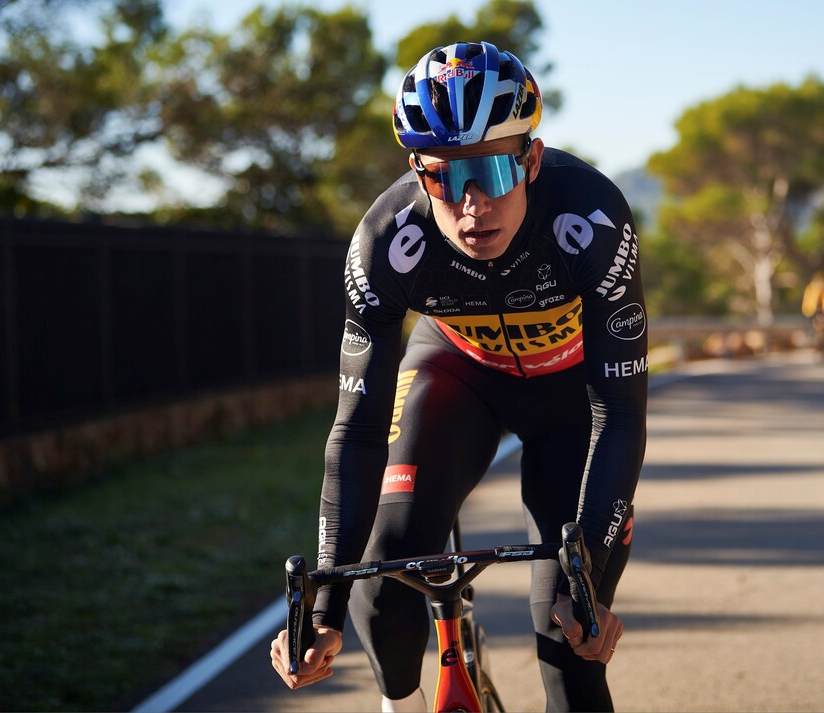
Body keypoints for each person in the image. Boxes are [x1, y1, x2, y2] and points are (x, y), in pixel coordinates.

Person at [268, 41, 647, 712]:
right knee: (386, 581)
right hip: (457, 376)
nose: (473, 204)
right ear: (417, 172)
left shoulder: (589, 218)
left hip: (571, 402)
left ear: (531, 160)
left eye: (495, 172)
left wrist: (590, 563)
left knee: (569, 641)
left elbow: (619, 410)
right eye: (444, 177)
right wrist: (322, 604)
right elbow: (356, 433)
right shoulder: (386, 242)